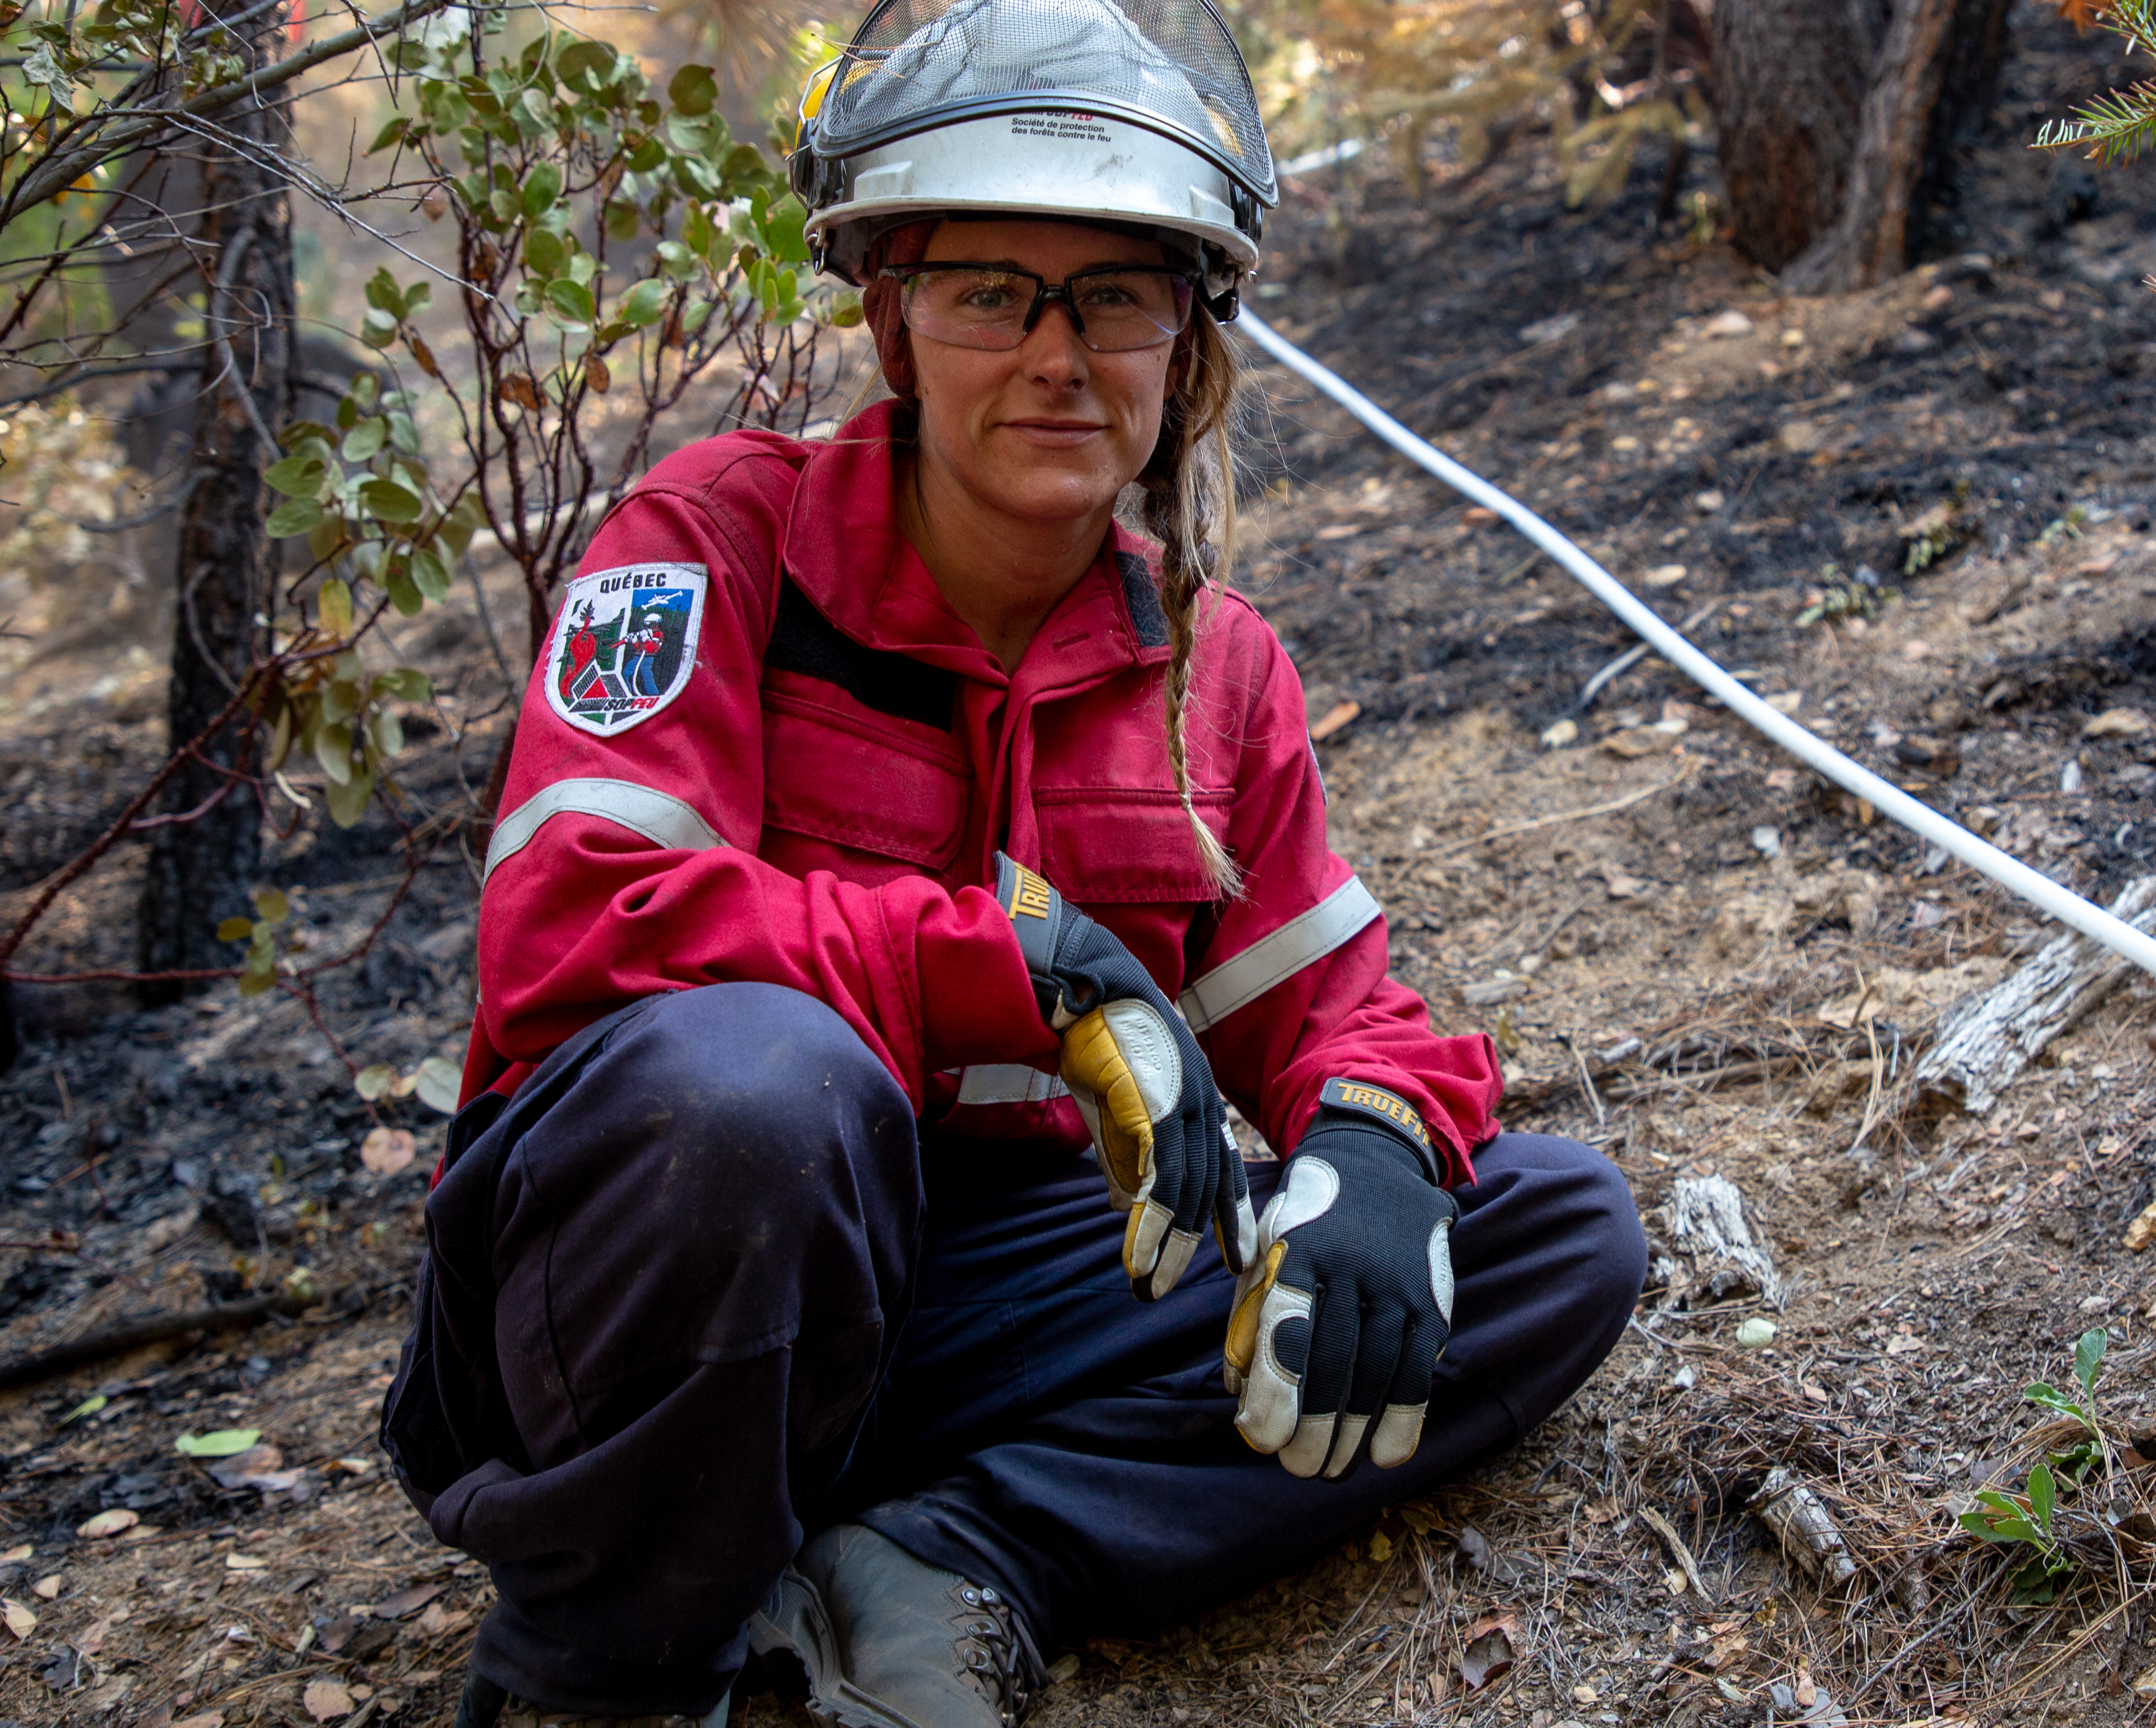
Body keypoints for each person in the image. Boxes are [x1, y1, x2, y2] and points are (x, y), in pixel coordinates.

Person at [379, 2, 1648, 1724]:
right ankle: (603, 1667)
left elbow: (1342, 1008)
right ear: (897, 318)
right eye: (993, 291)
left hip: (989, 1307)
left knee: (1546, 1230)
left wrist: (1379, 1142)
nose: (1057, 355)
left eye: (1115, 293)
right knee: (764, 1087)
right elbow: (574, 933)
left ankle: (964, 1550)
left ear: (1186, 333)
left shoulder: (1214, 664)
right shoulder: (715, 544)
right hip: (651, 1278)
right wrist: (1017, 973)